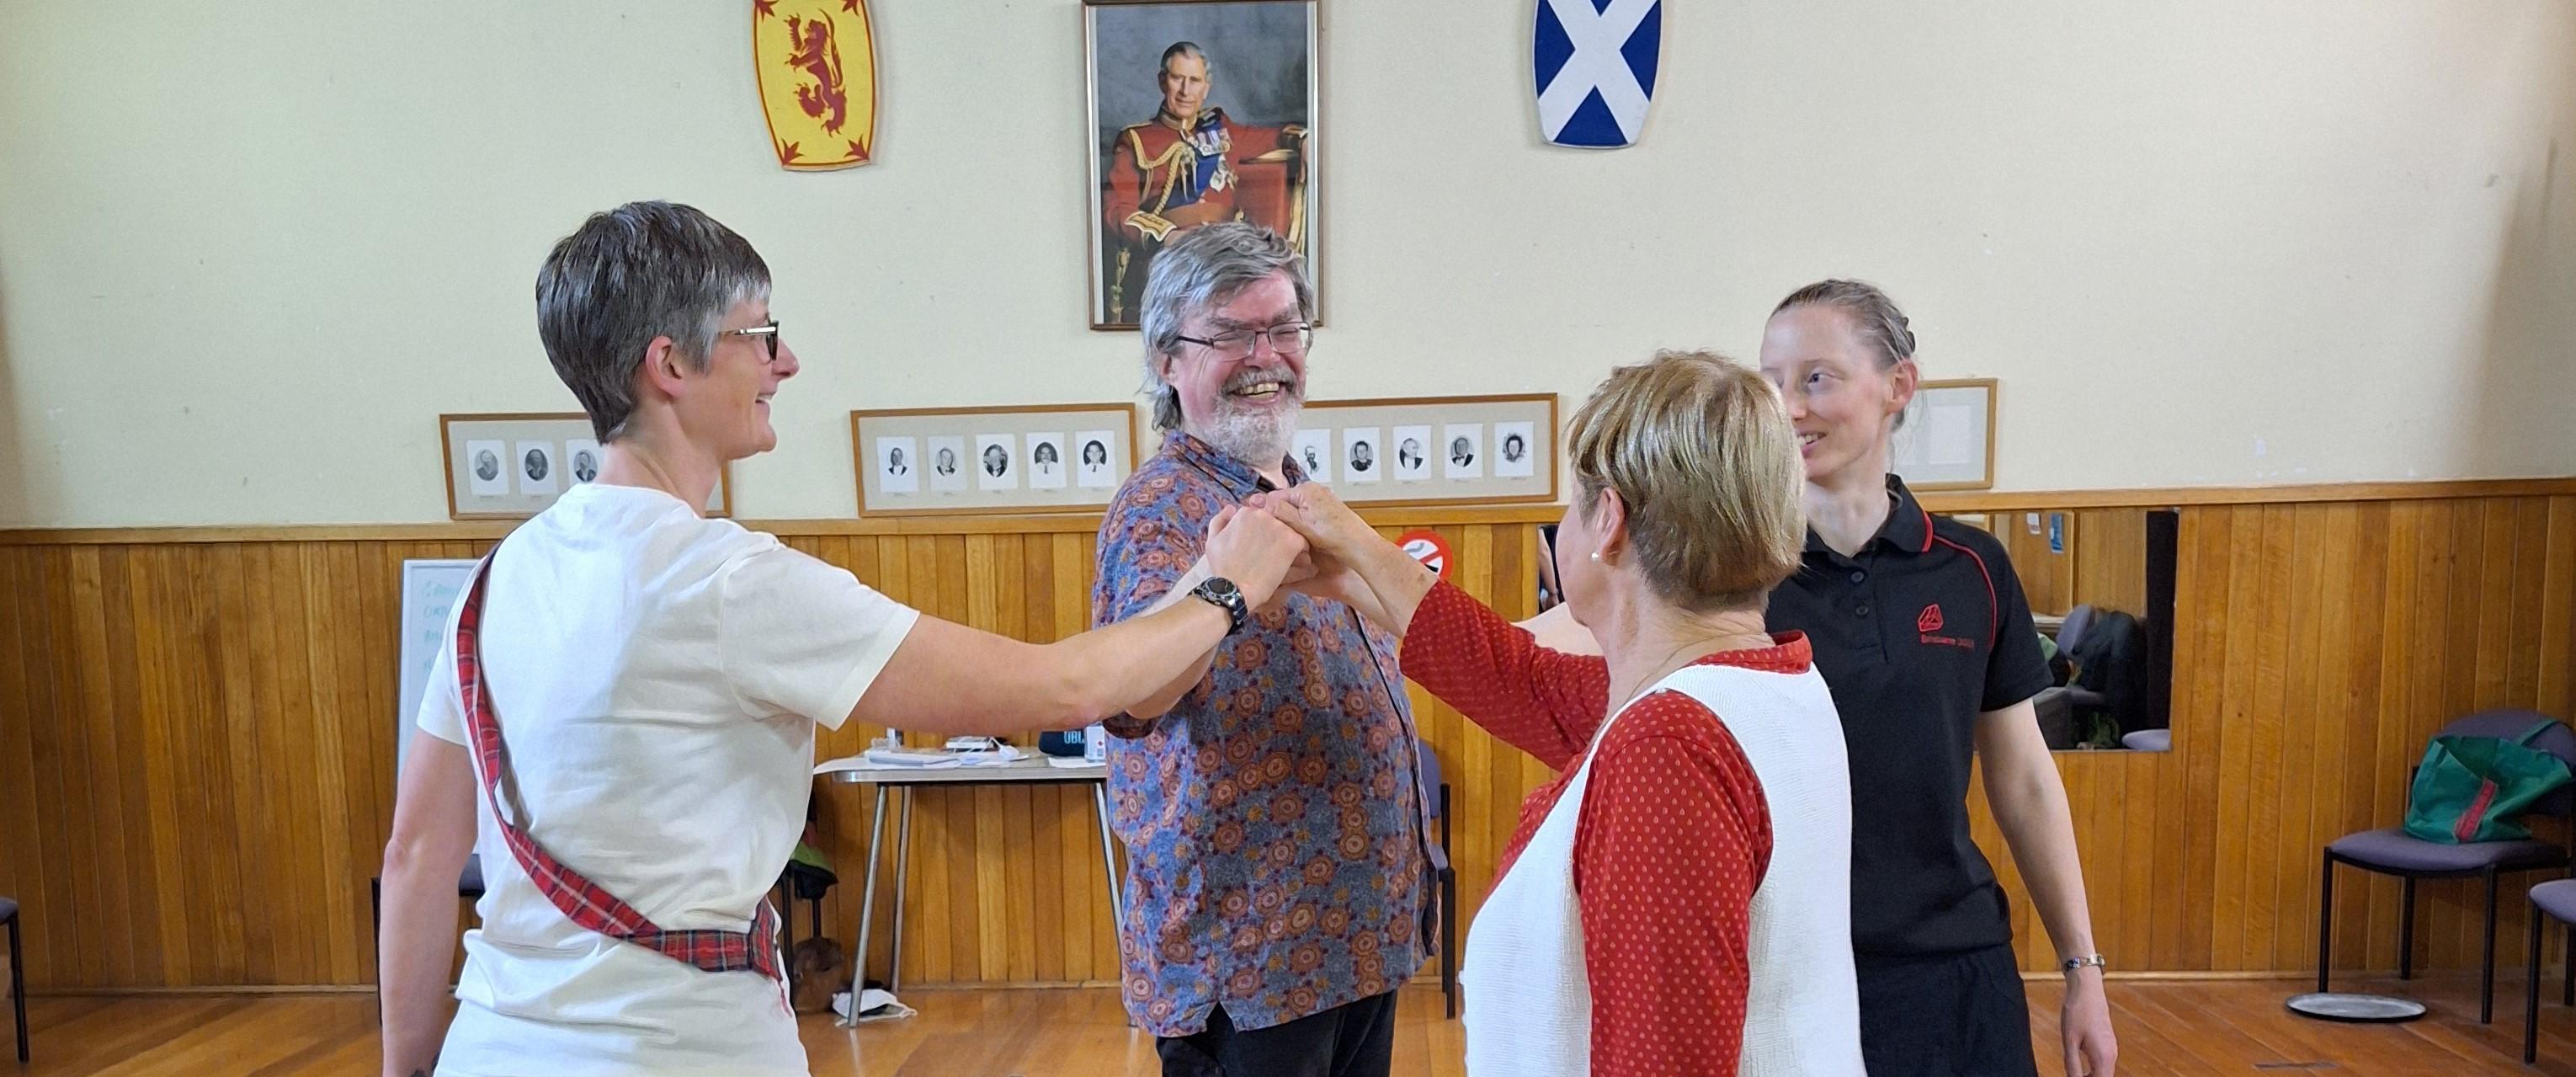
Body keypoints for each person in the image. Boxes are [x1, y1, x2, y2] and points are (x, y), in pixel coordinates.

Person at [376, 201, 1311, 1077]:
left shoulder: (496, 578)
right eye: (761, 334)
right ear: (671, 364)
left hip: (495, 1039)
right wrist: (1231, 586)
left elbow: (418, 852)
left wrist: (406, 1062)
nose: (785, 364)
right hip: (681, 1047)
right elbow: (1064, 689)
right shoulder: (729, 583)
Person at [1256, 352, 1863, 1075]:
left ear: (1610, 519)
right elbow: (1527, 683)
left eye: (1571, 505)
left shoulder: (1671, 745)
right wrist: (1358, 567)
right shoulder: (1767, 686)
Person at [1755, 280, 2116, 1076]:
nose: (1789, 407)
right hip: (1786, 973)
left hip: (1954, 965)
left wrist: (2082, 969)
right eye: (1773, 382)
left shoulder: (1973, 568)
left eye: (1817, 377)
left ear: (1898, 386)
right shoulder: (1739, 574)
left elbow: (2022, 780)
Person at [1094, 221, 1430, 1077]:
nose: (1266, 354)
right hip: (1250, 964)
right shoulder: (1161, 508)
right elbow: (1134, 696)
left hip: (1352, 943)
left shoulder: (1299, 489)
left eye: (1282, 328)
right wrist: (1221, 583)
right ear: (1169, 360)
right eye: (1232, 333)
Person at [1101, 42, 1308, 323]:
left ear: (1206, 87)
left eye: (1194, 81)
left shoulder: (1222, 131)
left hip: (1225, 253)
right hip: (1172, 255)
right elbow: (1117, 209)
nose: (1186, 91)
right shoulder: (1137, 140)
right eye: (1177, 79)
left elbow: (1271, 137)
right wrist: (1167, 236)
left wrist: (1303, 139)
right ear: (1163, 81)